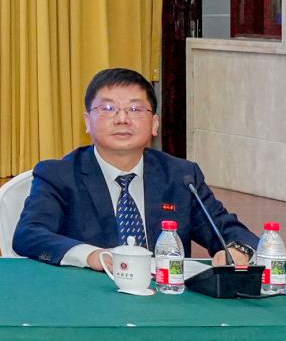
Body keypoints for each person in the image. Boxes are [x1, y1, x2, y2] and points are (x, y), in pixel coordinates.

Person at [14, 66, 258, 269]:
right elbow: (29, 234)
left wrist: (238, 251)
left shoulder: (181, 176)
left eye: (135, 109)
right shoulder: (59, 175)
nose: (122, 119)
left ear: (154, 124)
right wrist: (91, 256)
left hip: (165, 300)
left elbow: (230, 232)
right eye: (108, 109)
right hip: (89, 298)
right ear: (87, 121)